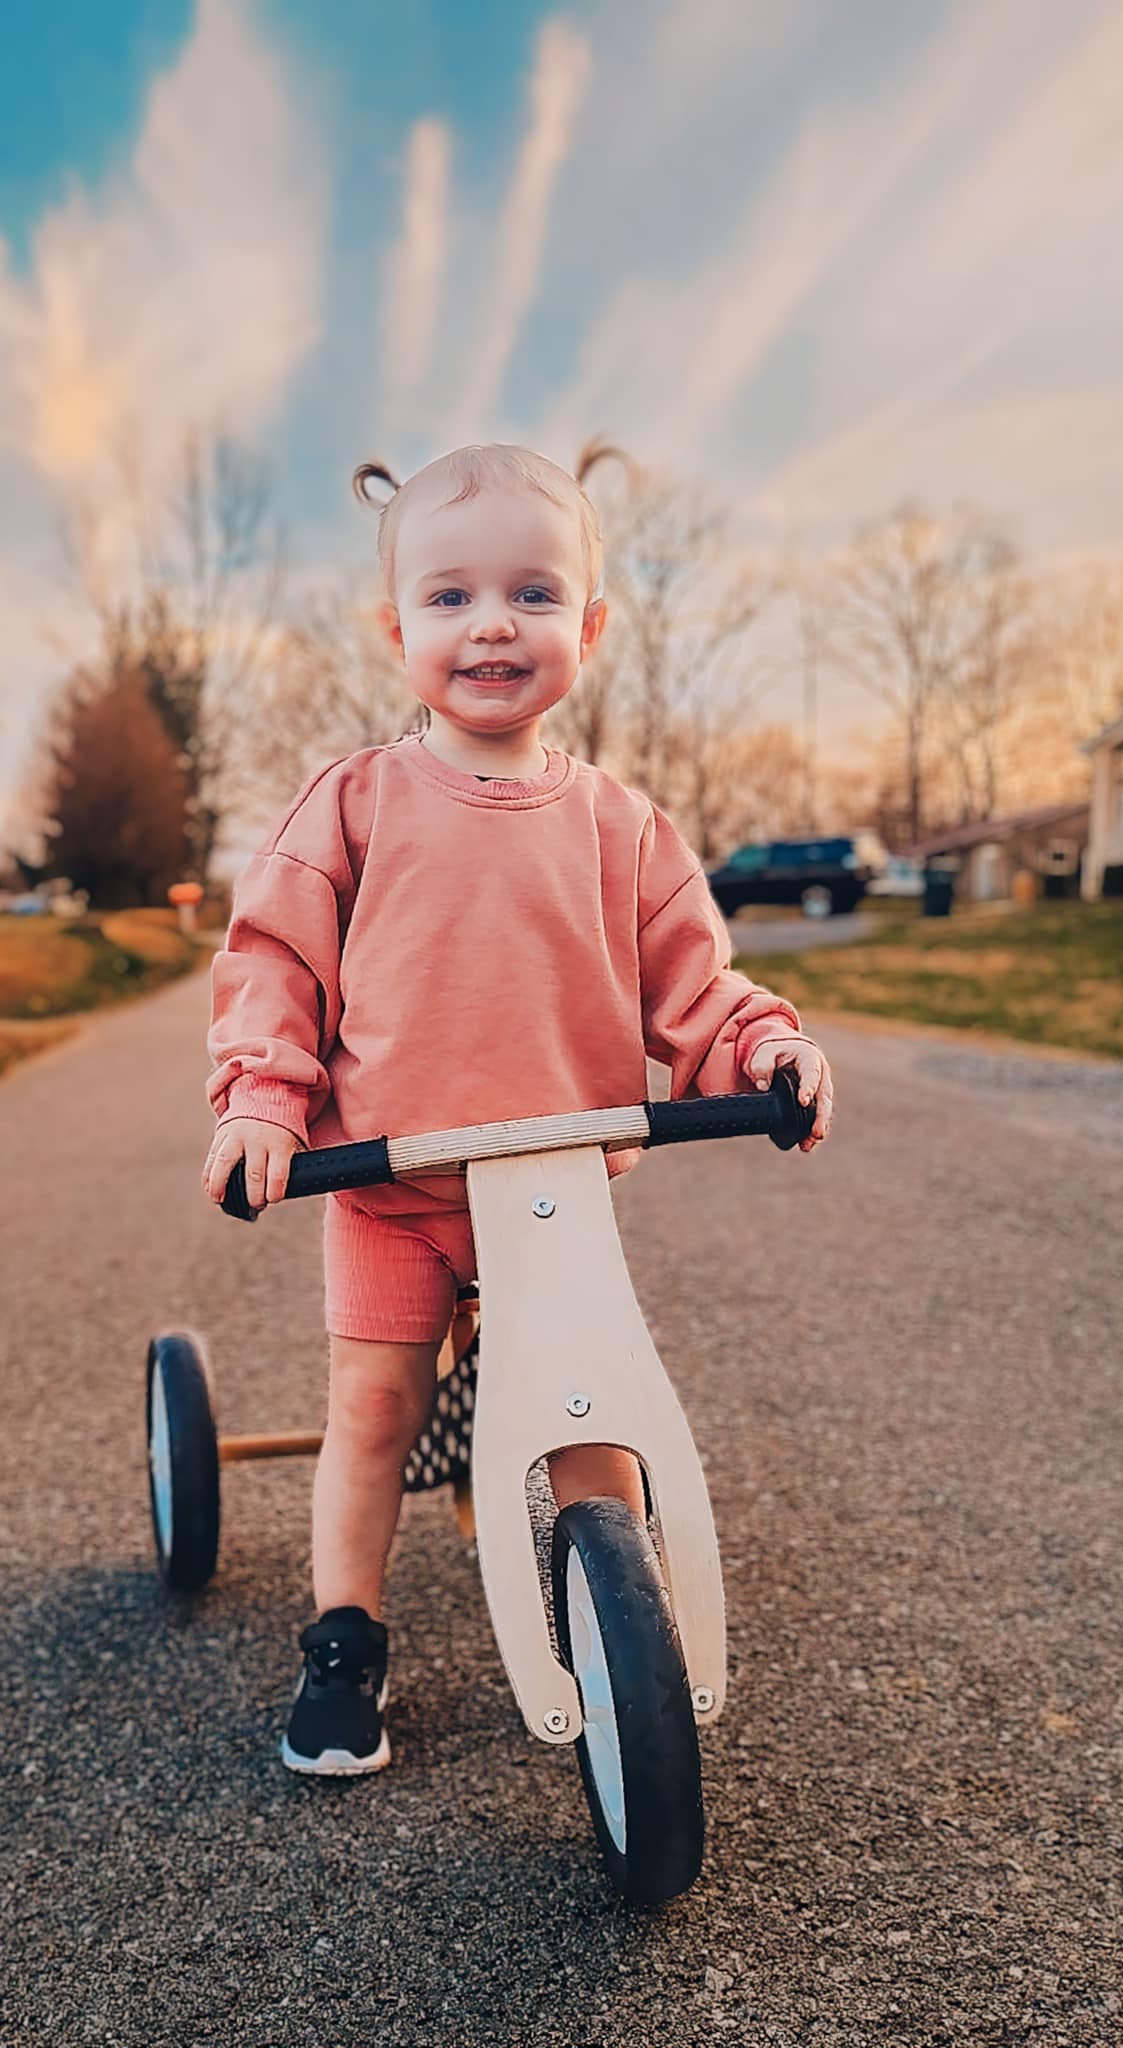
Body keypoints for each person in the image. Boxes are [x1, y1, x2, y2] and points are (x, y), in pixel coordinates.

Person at [203, 441, 834, 1776]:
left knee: (590, 1416)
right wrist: (262, 1098)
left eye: (533, 595)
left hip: (547, 1194)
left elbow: (694, 989)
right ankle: (344, 1637)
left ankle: (615, 1617)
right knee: (373, 1411)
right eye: (448, 598)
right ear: (394, 630)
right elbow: (272, 963)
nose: (492, 622)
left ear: (588, 626)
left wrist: (762, 1051)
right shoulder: (354, 804)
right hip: (386, 1187)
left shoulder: (619, 827)